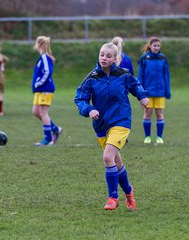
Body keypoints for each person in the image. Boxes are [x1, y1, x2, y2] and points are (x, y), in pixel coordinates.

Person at [74, 42, 149, 211]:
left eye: (108, 56)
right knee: (116, 161)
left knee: (108, 157)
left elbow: (135, 85)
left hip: (121, 122)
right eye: (102, 55)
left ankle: (112, 197)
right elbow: (80, 99)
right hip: (101, 125)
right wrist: (89, 109)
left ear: (115, 59)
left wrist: (142, 97)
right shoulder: (92, 78)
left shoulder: (123, 74)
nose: (104, 58)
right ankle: (129, 192)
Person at [137, 36, 171, 144]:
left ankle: (159, 137)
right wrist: (141, 92)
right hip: (148, 92)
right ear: (150, 46)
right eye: (154, 45)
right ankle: (147, 137)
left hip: (160, 91)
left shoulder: (163, 58)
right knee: (147, 113)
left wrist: (167, 90)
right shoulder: (144, 58)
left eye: (158, 46)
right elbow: (140, 76)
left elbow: (167, 75)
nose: (156, 47)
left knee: (160, 113)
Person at [32, 36, 63, 146]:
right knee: (35, 112)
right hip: (39, 90)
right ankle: (55, 129)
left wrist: (38, 83)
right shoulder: (41, 58)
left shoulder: (45, 57)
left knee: (43, 113)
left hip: (45, 88)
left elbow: (47, 72)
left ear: (38, 44)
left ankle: (48, 139)